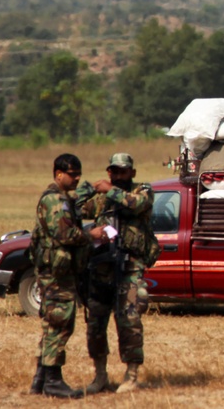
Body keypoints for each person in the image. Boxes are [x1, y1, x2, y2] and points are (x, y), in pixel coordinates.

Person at [75, 153, 159, 395]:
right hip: (101, 268)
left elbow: (137, 205)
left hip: (129, 267)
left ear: (132, 173)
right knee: (95, 322)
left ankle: (132, 374)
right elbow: (73, 210)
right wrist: (90, 188)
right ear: (109, 171)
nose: (119, 175)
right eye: (114, 171)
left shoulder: (142, 190)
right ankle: (100, 374)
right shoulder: (101, 198)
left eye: (124, 171)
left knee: (129, 320)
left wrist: (109, 188)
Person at [29, 153, 107, 398]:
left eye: (78, 174)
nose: (76, 178)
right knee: (61, 324)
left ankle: (41, 379)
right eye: (72, 174)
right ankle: (53, 381)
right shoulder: (54, 201)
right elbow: (64, 234)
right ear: (58, 174)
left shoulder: (65, 199)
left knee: (53, 323)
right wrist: (91, 235)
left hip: (59, 273)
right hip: (55, 275)